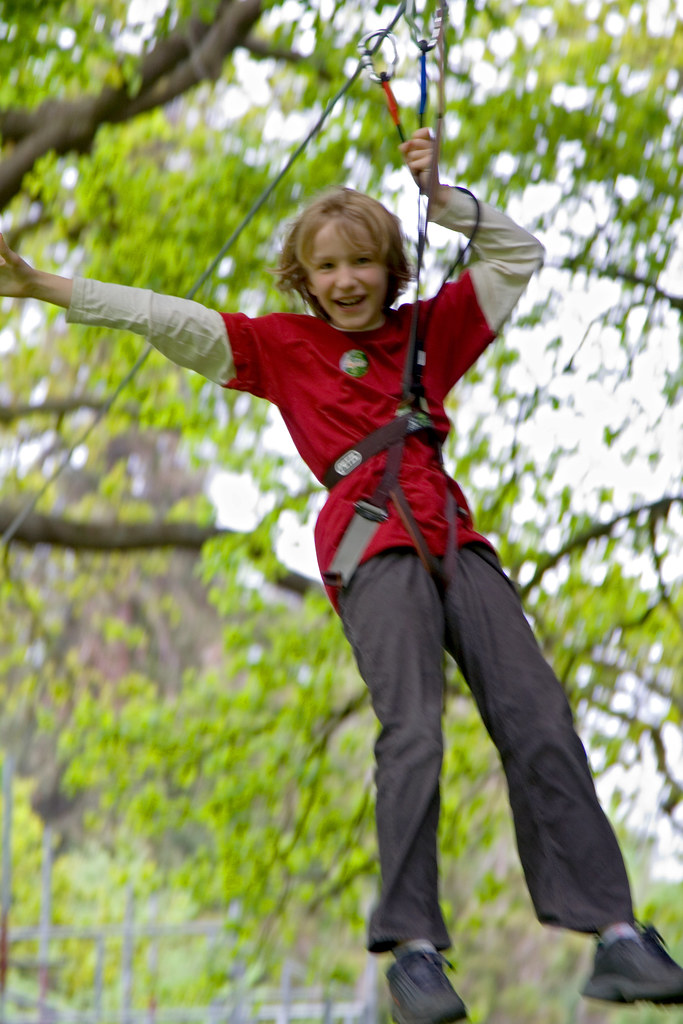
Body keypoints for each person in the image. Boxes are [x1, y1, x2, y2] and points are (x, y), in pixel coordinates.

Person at [2, 127, 683, 1020]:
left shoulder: (429, 332)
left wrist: (445, 201)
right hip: (372, 544)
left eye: (363, 261)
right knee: (414, 731)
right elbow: (168, 319)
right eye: (327, 267)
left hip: (453, 540)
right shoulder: (281, 347)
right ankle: (412, 951)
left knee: (539, 714)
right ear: (304, 278)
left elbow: (520, 252)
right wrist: (47, 286)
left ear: (389, 265)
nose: (347, 280)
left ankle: (614, 935)